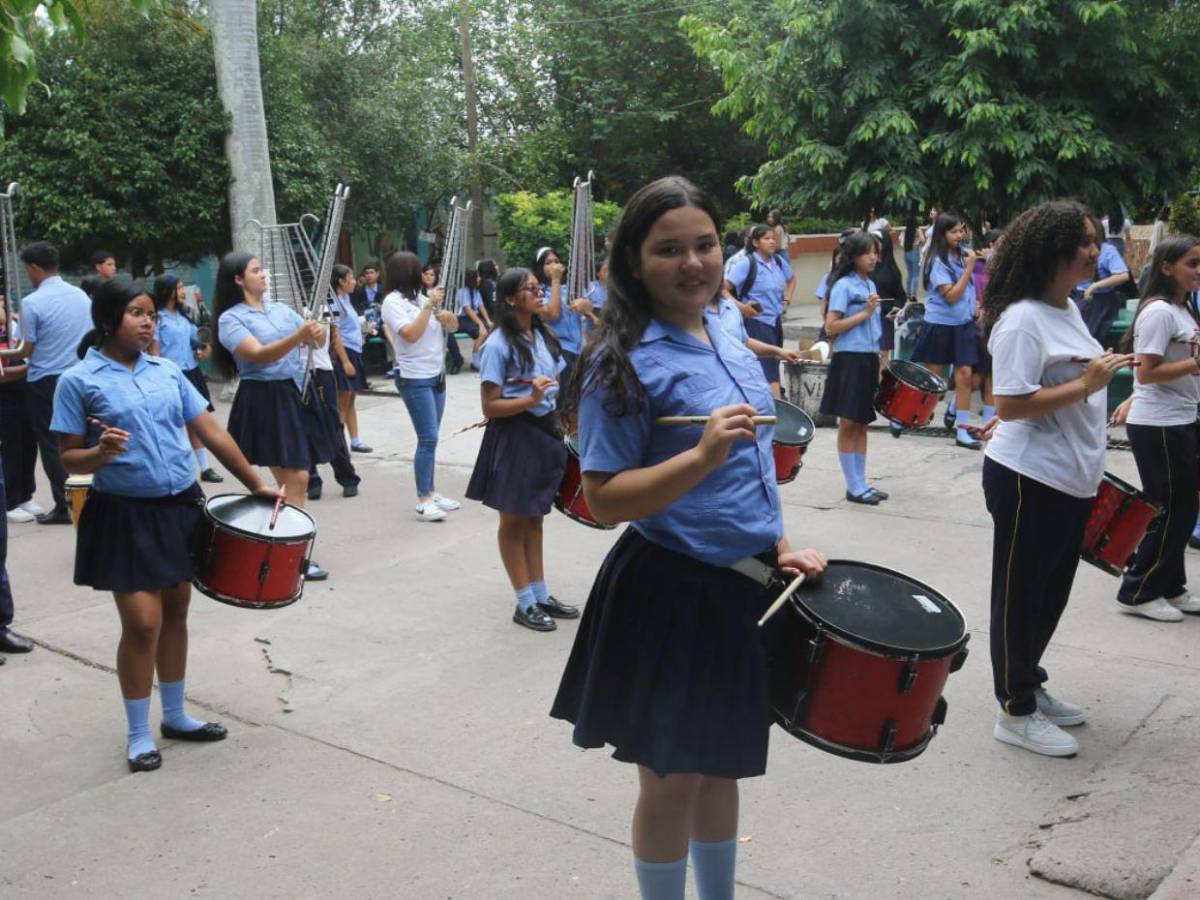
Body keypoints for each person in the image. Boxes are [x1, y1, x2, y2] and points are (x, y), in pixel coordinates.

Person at [549, 176, 827, 900]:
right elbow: (604, 500)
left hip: (746, 584)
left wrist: (778, 543)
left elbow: (754, 465)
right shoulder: (621, 363)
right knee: (672, 781)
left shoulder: (727, 328)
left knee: (724, 767)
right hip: (670, 591)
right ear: (633, 263)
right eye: (668, 249)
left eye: (704, 244)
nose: (693, 262)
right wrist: (696, 457)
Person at [51, 276, 281, 771]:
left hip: (180, 506)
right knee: (141, 624)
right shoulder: (79, 381)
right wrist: (100, 452)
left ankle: (175, 716)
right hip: (123, 514)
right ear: (108, 321)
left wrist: (254, 482)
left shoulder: (167, 372)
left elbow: (209, 431)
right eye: (136, 313)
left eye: (150, 314)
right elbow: (69, 459)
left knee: (176, 612)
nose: (147, 321)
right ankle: (138, 734)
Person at [981, 200, 1134, 758]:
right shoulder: (1021, 319)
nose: (1096, 250)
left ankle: (1029, 680)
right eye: (1085, 242)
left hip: (1070, 476)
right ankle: (1014, 711)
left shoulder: (1065, 307)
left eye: (1097, 240)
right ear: (1053, 250)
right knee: (1019, 595)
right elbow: (1012, 403)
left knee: (1051, 592)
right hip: (1027, 477)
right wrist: (1091, 383)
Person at [465, 268, 576, 632]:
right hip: (515, 436)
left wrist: (562, 415)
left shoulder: (542, 336)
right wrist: (531, 398)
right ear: (511, 298)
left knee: (534, 516)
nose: (539, 292)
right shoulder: (498, 344)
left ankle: (541, 593)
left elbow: (556, 385)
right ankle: (524, 602)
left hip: (543, 433)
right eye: (530, 288)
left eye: (538, 287)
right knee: (513, 520)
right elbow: (490, 406)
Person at [211, 252, 330, 581]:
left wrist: (317, 331)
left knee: (290, 481)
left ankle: (279, 548)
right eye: (255, 270)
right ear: (238, 279)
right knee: (298, 478)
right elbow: (259, 356)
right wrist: (298, 336)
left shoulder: (280, 309)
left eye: (262, 268)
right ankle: (290, 555)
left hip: (293, 392)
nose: (264, 274)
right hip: (263, 397)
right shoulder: (231, 319)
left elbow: (314, 341)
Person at [1113, 235, 1200, 622]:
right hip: (1159, 424)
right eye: (1192, 264)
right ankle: (1139, 590)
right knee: (1168, 509)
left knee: (1184, 507)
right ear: (1167, 267)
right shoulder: (1160, 312)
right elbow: (1146, 373)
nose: (1198, 271)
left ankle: (1171, 585)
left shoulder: (1183, 309)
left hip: (1181, 418)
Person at [11, 241, 93, 524]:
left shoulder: (32, 302)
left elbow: (25, 350)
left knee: (53, 444)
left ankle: (65, 505)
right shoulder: (81, 295)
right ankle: (88, 498)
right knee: (81, 440)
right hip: (81, 376)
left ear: (34, 268)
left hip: (46, 381)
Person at [381, 251, 462, 523]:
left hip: (436, 375)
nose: (425, 275)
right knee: (427, 438)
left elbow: (452, 326)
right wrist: (429, 307)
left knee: (432, 437)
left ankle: (432, 490)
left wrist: (447, 316)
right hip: (414, 377)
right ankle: (423, 499)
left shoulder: (421, 298)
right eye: (419, 270)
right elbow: (411, 335)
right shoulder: (392, 302)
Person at [820, 231, 887, 504]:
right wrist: (865, 314)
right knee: (849, 423)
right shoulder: (843, 286)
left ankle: (861, 482)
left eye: (876, 252)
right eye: (868, 252)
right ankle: (853, 486)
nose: (874, 257)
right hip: (849, 359)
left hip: (868, 358)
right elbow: (831, 326)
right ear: (854, 256)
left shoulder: (869, 284)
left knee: (861, 422)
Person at [912, 212, 982, 449]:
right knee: (934, 381)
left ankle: (962, 431)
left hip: (963, 326)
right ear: (942, 234)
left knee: (964, 376)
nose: (960, 235)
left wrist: (976, 305)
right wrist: (970, 269)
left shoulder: (961, 257)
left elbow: (967, 290)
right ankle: (908, 414)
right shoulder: (937, 262)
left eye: (961, 230)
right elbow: (951, 296)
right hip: (941, 325)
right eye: (954, 231)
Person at [150, 274, 223, 483]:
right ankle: (176, 468)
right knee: (173, 423)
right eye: (179, 288)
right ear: (167, 291)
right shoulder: (158, 319)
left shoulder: (185, 318)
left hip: (191, 373)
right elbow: (154, 352)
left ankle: (205, 468)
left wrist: (204, 348)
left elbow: (197, 342)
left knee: (197, 422)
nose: (183, 292)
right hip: (170, 375)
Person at [303, 271, 361, 501]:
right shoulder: (285, 307)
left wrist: (345, 361)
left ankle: (347, 477)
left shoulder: (325, 306)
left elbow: (329, 337)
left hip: (322, 371)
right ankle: (312, 480)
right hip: (297, 375)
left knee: (333, 424)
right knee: (303, 428)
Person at [724, 224, 794, 397]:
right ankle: (776, 410)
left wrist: (786, 300)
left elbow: (792, 279)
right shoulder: (747, 263)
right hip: (757, 323)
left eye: (773, 238)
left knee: (774, 363)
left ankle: (770, 405)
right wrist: (742, 308)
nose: (771, 242)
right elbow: (722, 290)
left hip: (775, 321)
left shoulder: (778, 261)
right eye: (766, 238)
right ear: (755, 242)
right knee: (768, 368)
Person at [0, 304, 41, 523]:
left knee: (28, 443)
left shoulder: (14, 327)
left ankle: (26, 494)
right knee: (11, 448)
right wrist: (31, 367)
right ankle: (10, 501)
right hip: (5, 399)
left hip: (24, 395)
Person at [534, 246, 596, 383]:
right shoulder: (537, 293)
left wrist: (586, 307)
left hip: (579, 351)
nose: (554, 265)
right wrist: (555, 280)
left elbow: (588, 311)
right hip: (558, 351)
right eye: (548, 263)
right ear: (539, 268)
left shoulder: (568, 289)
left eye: (556, 261)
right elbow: (553, 313)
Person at [330, 264, 372, 453]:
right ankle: (338, 443)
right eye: (351, 278)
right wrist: (345, 361)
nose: (355, 281)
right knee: (343, 400)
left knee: (351, 398)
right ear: (341, 281)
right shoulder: (334, 303)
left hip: (355, 351)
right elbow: (335, 334)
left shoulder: (346, 299)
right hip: (345, 352)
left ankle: (355, 440)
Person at [1075, 215, 1132, 344]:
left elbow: (1123, 275)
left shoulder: (1107, 250)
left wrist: (1095, 286)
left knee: (1085, 334)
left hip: (1100, 300)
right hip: (1079, 296)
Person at [869, 225, 905, 364]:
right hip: (867, 315)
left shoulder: (893, 270)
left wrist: (897, 308)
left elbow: (900, 295)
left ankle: (879, 385)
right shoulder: (864, 266)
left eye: (877, 242)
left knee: (883, 354)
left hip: (885, 318)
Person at [446, 269, 492, 374]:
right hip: (461, 319)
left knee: (490, 331)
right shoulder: (462, 292)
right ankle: (475, 361)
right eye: (477, 277)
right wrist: (481, 324)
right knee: (482, 332)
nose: (479, 279)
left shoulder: (475, 291)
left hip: (473, 318)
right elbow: (468, 310)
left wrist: (488, 321)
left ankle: (483, 358)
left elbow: (481, 306)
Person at [902, 214, 922, 300]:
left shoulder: (906, 231)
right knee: (916, 275)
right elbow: (923, 239)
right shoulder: (917, 230)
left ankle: (908, 293)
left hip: (907, 253)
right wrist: (918, 243)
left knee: (909, 274)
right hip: (915, 252)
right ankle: (913, 294)